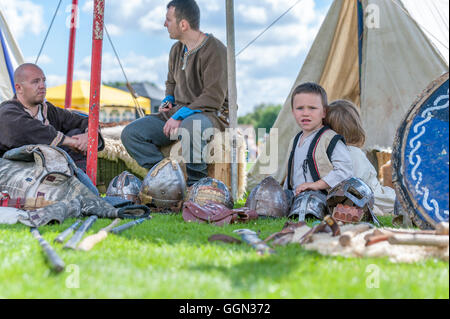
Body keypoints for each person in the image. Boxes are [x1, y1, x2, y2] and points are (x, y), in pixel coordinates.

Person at [121, 0, 228, 186]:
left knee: (190, 126)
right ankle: (167, 178)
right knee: (131, 133)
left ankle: (196, 186)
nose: (165, 24)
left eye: (168, 20)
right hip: (179, 112)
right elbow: (171, 82)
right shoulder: (176, 49)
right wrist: (169, 99)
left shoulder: (215, 49)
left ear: (183, 24)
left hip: (211, 114)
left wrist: (180, 115)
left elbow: (213, 97)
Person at [0, 63, 103, 171]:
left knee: (76, 133)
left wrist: (88, 136)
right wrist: (71, 142)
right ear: (19, 88)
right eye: (35, 81)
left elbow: (84, 119)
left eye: (43, 80)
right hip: (14, 175)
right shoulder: (7, 111)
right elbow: (28, 130)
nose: (42, 85)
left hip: (49, 174)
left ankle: (78, 183)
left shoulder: (49, 110)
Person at [326, 99, 396, 215]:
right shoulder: (353, 154)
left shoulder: (335, 154)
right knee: (395, 201)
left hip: (366, 195)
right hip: (371, 197)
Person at [282, 82, 353, 196]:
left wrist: (316, 185)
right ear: (293, 112)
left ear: (324, 112)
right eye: (300, 108)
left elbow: (344, 171)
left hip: (322, 201)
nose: (305, 113)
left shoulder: (330, 139)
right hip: (297, 201)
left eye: (312, 108)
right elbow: (292, 175)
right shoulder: (294, 140)